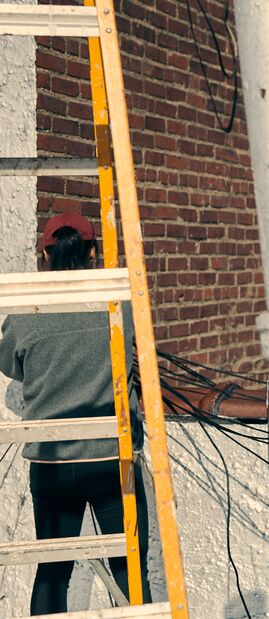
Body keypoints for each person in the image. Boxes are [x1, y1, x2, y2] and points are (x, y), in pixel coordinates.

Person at [0, 212, 151, 615]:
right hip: (109, 458)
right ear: (93, 251)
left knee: (52, 574)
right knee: (130, 571)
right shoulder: (116, 299)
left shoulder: (26, 308)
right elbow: (137, 353)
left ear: (44, 255)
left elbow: (11, 366)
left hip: (50, 462)